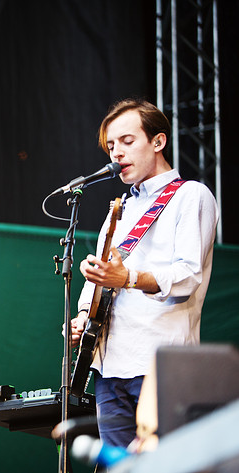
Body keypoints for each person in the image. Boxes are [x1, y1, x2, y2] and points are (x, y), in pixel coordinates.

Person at [68, 98, 218, 448]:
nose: (116, 153)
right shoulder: (121, 208)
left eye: (127, 141)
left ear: (158, 142)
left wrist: (128, 278)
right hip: (108, 369)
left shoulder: (190, 196)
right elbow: (103, 279)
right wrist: (80, 317)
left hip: (161, 365)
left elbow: (187, 277)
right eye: (110, 146)